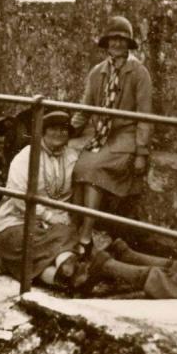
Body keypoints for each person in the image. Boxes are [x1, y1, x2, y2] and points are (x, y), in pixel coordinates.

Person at [70, 15, 152, 257]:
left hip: (125, 137)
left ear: (129, 44)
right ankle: (74, 232)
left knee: (93, 170)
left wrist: (141, 152)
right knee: (77, 168)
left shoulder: (139, 73)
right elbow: (85, 109)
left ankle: (85, 236)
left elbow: (145, 116)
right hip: (101, 136)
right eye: (112, 39)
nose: (116, 44)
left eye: (122, 39)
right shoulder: (97, 73)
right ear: (106, 43)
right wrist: (68, 131)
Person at [0, 111, 89, 289]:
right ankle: (69, 266)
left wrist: (63, 218)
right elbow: (18, 197)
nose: (59, 133)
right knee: (63, 236)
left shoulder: (72, 157)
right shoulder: (26, 157)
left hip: (52, 228)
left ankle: (65, 276)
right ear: (42, 131)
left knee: (67, 233)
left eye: (63, 130)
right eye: (53, 128)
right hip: (17, 222)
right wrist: (50, 217)